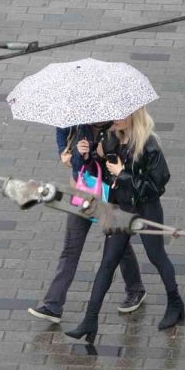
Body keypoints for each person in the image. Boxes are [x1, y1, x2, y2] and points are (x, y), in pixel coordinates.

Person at [65, 106, 184, 342]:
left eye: (122, 114)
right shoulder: (109, 138)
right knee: (108, 261)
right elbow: (98, 171)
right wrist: (87, 156)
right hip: (120, 208)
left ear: (134, 115)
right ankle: (90, 319)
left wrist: (123, 174)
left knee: (156, 255)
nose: (116, 119)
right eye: (114, 113)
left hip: (146, 209)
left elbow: (156, 187)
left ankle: (175, 303)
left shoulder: (148, 145)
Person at [27, 122, 146, 324]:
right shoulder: (76, 120)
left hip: (109, 194)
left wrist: (102, 153)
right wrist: (69, 152)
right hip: (83, 191)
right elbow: (62, 133)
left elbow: (126, 165)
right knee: (71, 247)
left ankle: (135, 289)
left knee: (117, 244)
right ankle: (53, 305)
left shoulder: (118, 126)